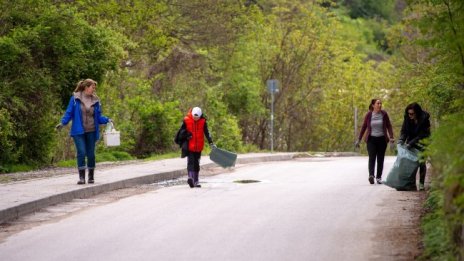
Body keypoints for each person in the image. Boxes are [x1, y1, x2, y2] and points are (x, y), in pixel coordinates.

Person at [56, 79, 111, 185]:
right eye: (92, 87)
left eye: (94, 88)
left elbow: (98, 117)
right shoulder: (75, 98)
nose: (94, 89)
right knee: (81, 152)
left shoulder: (96, 100)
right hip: (78, 131)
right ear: (86, 87)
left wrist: (107, 119)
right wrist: (63, 123)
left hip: (91, 130)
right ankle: (81, 178)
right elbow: (69, 112)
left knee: (91, 154)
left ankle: (91, 176)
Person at [356, 99, 395, 185]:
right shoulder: (369, 115)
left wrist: (391, 138)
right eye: (378, 103)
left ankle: (379, 177)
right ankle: (371, 176)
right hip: (371, 140)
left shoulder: (384, 114)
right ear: (373, 105)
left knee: (380, 159)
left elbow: (389, 126)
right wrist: (359, 139)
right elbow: (364, 127)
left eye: (381, 103)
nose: (380, 105)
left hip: (382, 140)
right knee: (372, 157)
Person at [178, 107, 214, 188]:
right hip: (190, 146)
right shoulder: (186, 120)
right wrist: (187, 135)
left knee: (196, 163)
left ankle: (196, 181)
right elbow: (181, 132)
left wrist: (211, 142)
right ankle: (190, 178)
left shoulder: (203, 121)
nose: (195, 118)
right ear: (192, 115)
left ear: (200, 116)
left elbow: (207, 132)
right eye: (194, 117)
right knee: (191, 162)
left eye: (197, 117)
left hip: (198, 147)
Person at [398, 102, 431, 191]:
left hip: (423, 142)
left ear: (417, 113)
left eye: (412, 114)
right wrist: (401, 140)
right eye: (408, 113)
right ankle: (410, 184)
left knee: (421, 162)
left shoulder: (424, 119)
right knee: (410, 162)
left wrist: (410, 143)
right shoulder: (407, 118)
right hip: (411, 142)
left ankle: (421, 184)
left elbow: (422, 135)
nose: (410, 115)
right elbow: (404, 130)